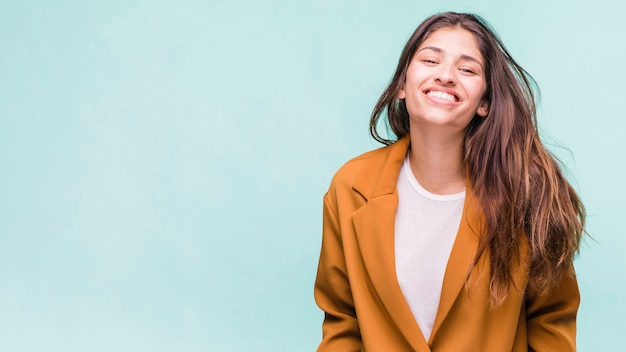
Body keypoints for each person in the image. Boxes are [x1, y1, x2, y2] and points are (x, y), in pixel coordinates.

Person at [314, 12, 585, 351]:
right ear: (401, 84)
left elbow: (551, 321)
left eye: (467, 69)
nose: (445, 75)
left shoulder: (527, 190)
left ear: (484, 102)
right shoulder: (351, 186)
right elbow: (343, 320)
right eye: (430, 60)